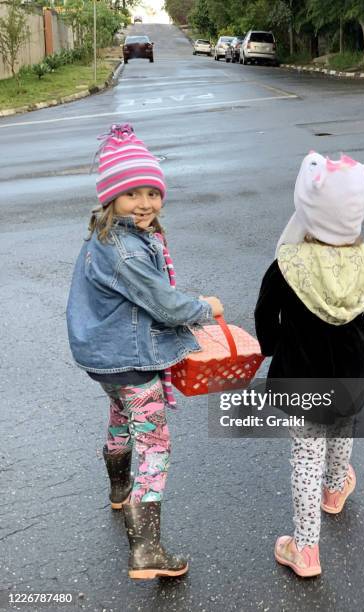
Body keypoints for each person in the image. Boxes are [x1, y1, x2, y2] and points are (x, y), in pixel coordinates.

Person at [66, 123, 223, 580]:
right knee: (155, 442)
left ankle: (118, 486)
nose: (145, 204)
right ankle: (147, 548)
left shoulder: (103, 235)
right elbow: (166, 305)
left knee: (120, 415)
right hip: (129, 358)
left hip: (104, 359)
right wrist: (204, 307)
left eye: (152, 193)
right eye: (132, 194)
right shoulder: (126, 250)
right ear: (111, 197)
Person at [254, 151, 364, 577]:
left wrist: (271, 346)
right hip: (351, 373)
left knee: (305, 456)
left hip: (301, 376)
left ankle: (305, 548)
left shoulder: (288, 264)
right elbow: (362, 311)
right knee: (344, 426)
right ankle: (335, 489)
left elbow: (264, 313)